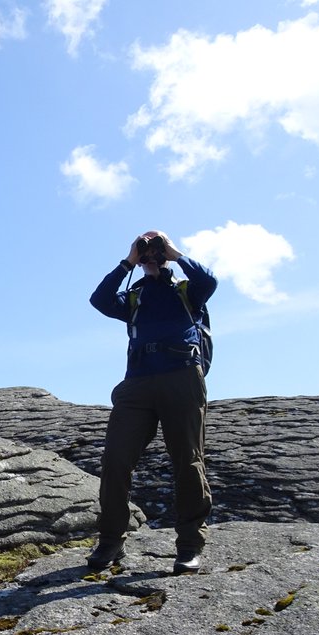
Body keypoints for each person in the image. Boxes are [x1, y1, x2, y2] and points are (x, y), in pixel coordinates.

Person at [87, 230, 218, 575]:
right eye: (147, 254)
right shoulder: (134, 297)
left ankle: (190, 545)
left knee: (187, 462)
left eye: (153, 252)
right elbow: (99, 300)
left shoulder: (186, 290)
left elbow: (209, 280)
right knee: (115, 459)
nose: (151, 257)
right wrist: (129, 260)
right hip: (137, 383)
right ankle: (111, 540)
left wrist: (173, 252)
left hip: (183, 377)